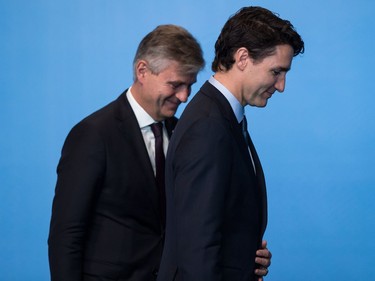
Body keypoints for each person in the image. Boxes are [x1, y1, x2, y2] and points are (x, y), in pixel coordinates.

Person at [157, 6, 305, 281]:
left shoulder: (224, 118)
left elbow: (218, 222)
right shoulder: (209, 126)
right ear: (243, 57)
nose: (281, 85)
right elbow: (197, 250)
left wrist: (245, 256)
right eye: (276, 71)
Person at [48, 24, 205, 281]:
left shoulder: (182, 134)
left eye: (190, 85)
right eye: (176, 84)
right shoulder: (93, 134)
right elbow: (66, 234)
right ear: (142, 71)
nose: (185, 96)